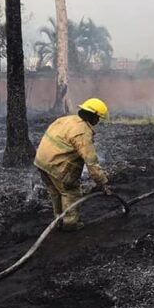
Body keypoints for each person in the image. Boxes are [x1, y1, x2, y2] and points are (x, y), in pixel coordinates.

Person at [34, 98, 112, 232]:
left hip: (41, 162)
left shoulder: (66, 120)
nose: (98, 122)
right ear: (92, 116)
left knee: (56, 192)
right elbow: (91, 162)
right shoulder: (82, 132)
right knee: (71, 193)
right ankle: (70, 224)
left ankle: (58, 220)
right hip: (57, 166)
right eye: (98, 118)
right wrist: (103, 183)